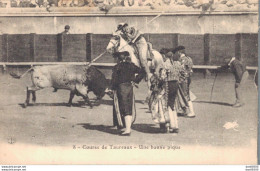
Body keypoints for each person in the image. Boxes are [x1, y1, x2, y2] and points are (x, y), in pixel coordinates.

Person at [111, 51, 144, 136]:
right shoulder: (131, 65)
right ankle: (128, 128)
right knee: (129, 106)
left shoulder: (117, 67)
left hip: (121, 88)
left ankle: (127, 129)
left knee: (122, 107)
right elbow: (142, 72)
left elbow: (114, 80)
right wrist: (135, 80)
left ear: (118, 58)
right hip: (130, 87)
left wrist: (112, 88)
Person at [172, 45, 195, 118]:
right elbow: (191, 70)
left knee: (185, 95)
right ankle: (185, 110)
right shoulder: (189, 58)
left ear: (179, 52)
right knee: (184, 94)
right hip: (187, 79)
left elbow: (180, 71)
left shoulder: (182, 60)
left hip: (183, 80)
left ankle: (192, 112)